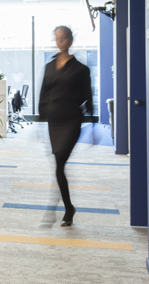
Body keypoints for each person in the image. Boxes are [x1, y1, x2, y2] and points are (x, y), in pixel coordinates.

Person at [38, 25, 93, 227]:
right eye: (56, 38)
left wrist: (93, 127)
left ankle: (57, 207)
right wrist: (42, 114)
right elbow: (43, 93)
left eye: (62, 38)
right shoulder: (49, 66)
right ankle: (69, 207)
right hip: (54, 121)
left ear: (70, 40)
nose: (59, 42)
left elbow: (88, 97)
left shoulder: (81, 69)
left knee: (60, 159)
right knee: (58, 163)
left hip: (71, 121)